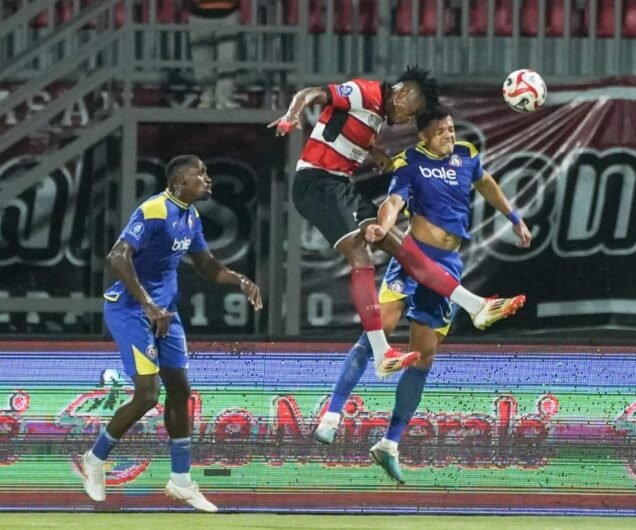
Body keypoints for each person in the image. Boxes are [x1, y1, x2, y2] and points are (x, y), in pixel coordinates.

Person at [313, 106, 532, 483]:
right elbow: (393, 202)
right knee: (377, 332)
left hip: (448, 264)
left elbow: (486, 183)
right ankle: (331, 414)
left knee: (423, 356)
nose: (449, 135)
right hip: (411, 259)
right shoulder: (410, 161)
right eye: (441, 131)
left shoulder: (466, 155)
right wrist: (383, 227)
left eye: (451, 128)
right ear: (424, 137)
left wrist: (514, 218)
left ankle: (389, 445)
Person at [269, 66, 525, 378]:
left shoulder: (378, 113)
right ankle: (382, 353)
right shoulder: (365, 93)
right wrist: (292, 115)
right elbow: (310, 93)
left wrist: (373, 151)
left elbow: (342, 129)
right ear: (402, 94)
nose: (406, 119)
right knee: (360, 256)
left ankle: (475, 306)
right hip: (316, 184)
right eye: (410, 112)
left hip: (339, 185)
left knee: (402, 247)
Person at [79, 155, 262, 512]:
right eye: (201, 174)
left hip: (166, 313)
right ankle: (94, 458)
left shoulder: (190, 216)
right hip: (131, 310)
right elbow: (117, 257)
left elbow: (206, 265)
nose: (208, 179)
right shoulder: (154, 210)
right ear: (179, 182)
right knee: (148, 394)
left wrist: (239, 279)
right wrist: (148, 304)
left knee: (180, 390)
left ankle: (181, 481)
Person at [188, 0, 240, 109]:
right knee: (202, 62)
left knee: (227, 59)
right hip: (199, 13)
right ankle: (208, 97)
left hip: (228, 12)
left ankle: (223, 98)